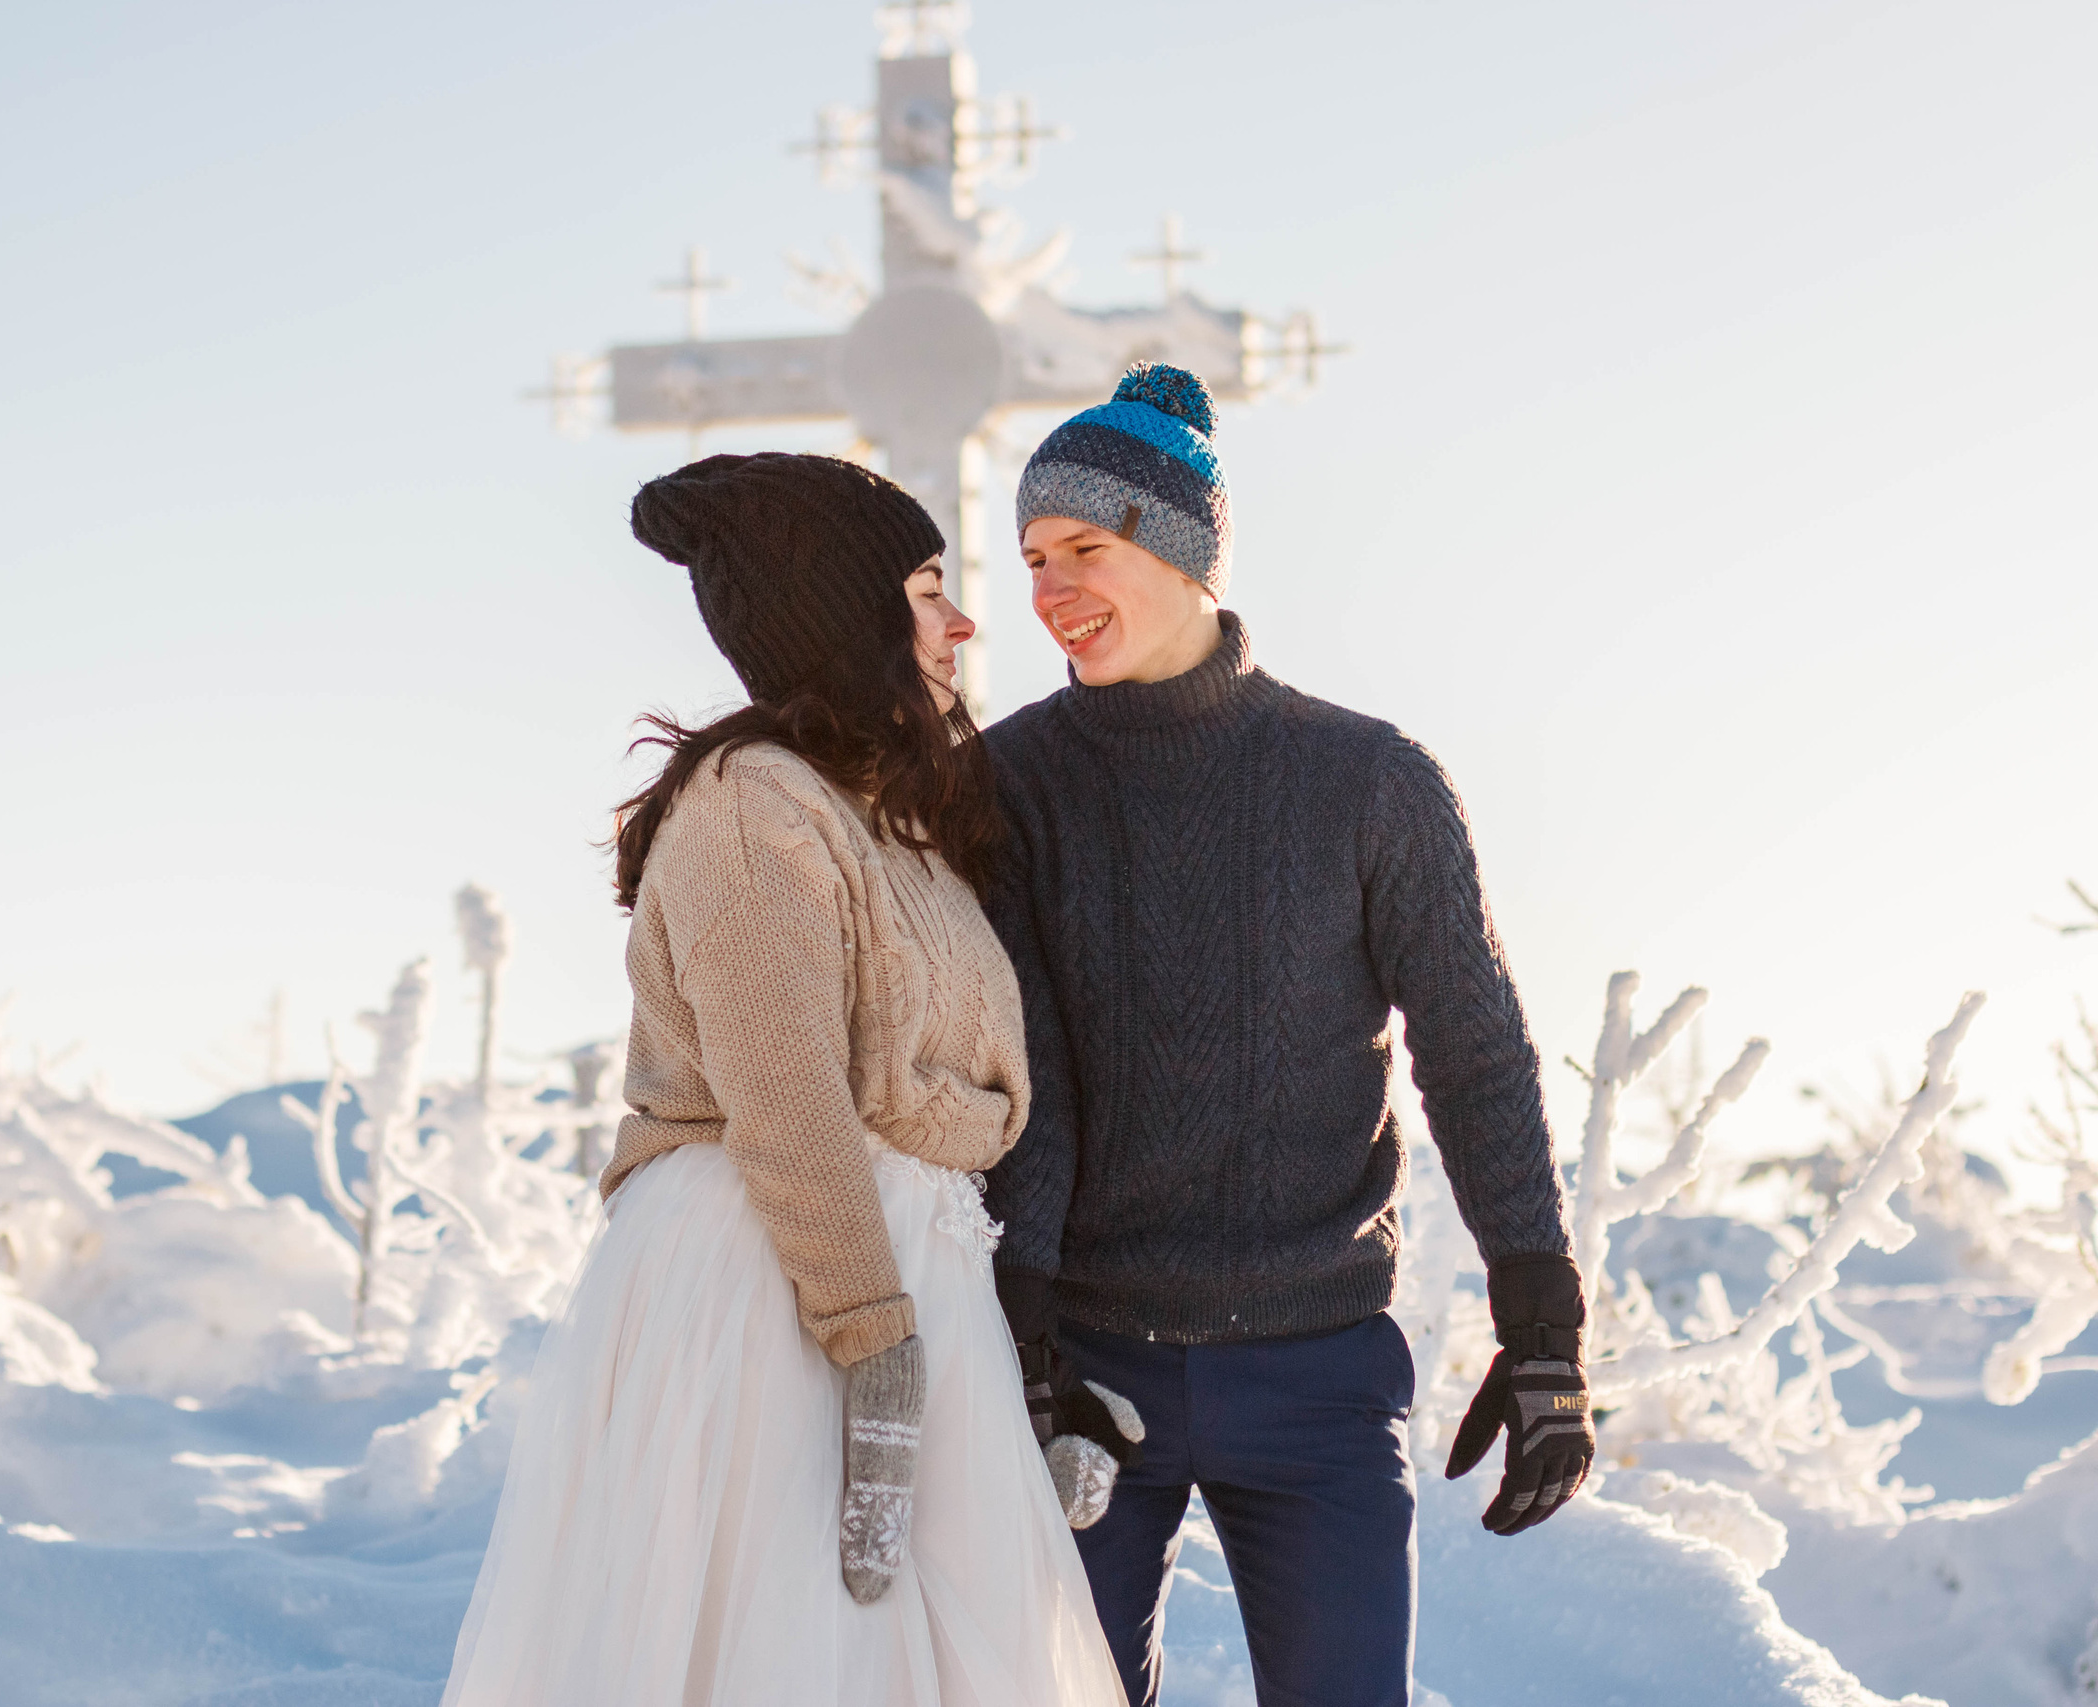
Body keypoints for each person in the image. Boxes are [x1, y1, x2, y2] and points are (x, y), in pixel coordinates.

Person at [442, 452, 1127, 1707]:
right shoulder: (751, 805)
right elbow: (790, 1094)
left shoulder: (878, 809)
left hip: (890, 1277)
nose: (964, 620)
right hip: (775, 1289)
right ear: (843, 614)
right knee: (800, 1649)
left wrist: (996, 1368)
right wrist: (875, 1349)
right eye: (926, 590)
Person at [980, 366, 1598, 1707]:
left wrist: (1542, 1319)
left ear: (1187, 547)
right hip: (1088, 1366)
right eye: (1033, 556)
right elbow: (1020, 1068)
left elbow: (1475, 1048)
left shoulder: (1369, 779)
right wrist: (1022, 1335)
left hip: (1318, 1368)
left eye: (1085, 546)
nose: (1048, 587)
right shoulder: (1009, 782)